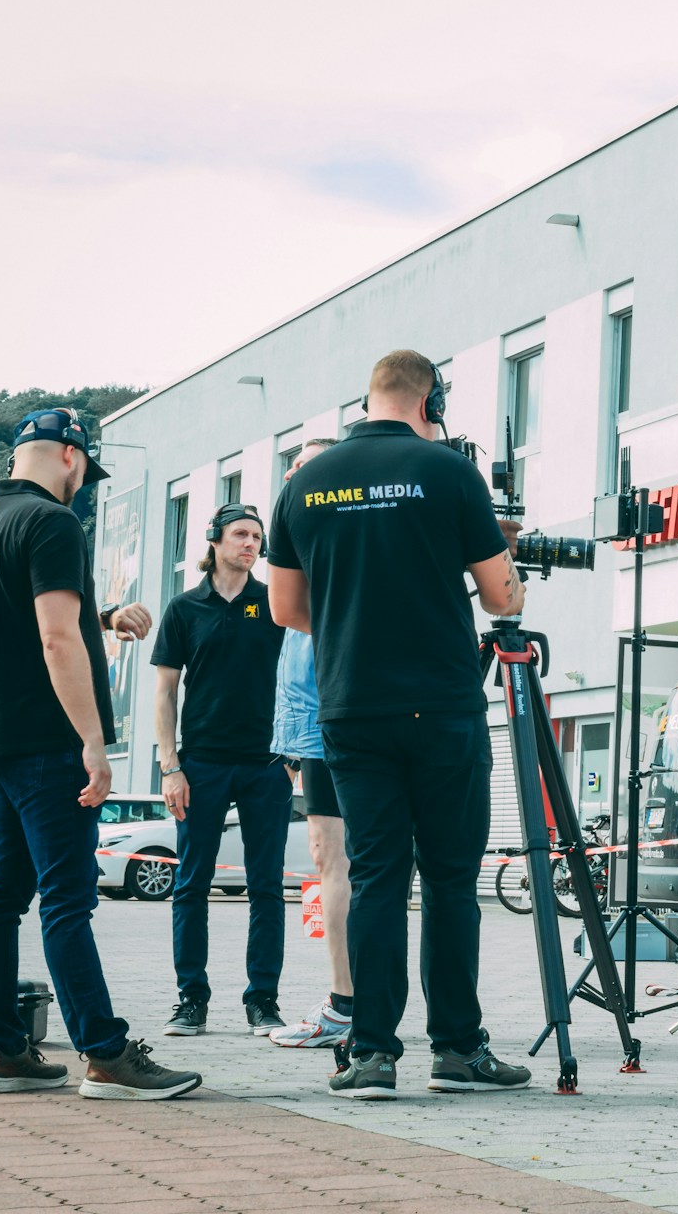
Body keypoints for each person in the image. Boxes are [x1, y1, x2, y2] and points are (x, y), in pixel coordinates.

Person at [269, 349, 530, 1099]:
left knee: (378, 876)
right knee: (450, 878)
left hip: (353, 704)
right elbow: (502, 598)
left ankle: (373, 1054)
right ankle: (458, 1050)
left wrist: (358, 622)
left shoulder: (304, 482)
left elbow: (286, 609)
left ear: (368, 400)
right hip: (443, 703)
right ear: (430, 402)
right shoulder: (450, 471)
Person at [0, 407, 201, 1100]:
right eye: (86, 473)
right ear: (71, 456)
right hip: (50, 739)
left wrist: (103, 616)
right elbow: (53, 637)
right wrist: (93, 742)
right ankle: (105, 1053)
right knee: (67, 899)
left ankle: (1, 1049)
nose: (83, 488)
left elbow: (23, 620)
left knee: (0, 897)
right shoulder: (54, 522)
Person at [151, 500, 289, 1039]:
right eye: (240, 534)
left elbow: (299, 677)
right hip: (201, 764)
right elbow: (165, 692)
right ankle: (191, 999)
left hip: (267, 763)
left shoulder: (275, 603)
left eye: (256, 536)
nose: (251, 543)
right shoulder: (184, 608)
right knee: (191, 884)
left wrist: (293, 757)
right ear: (214, 540)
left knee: (266, 887)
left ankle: (263, 1001)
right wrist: (170, 766)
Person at [263, 437, 355, 1050]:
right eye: (291, 468)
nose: (294, 477)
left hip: (342, 710)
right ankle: (348, 1001)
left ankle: (349, 1005)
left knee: (345, 860)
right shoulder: (299, 532)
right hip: (310, 721)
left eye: (307, 467)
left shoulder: (339, 532)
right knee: (329, 857)